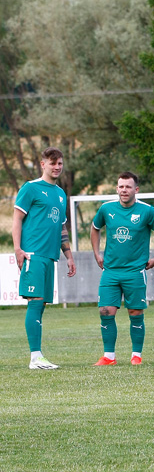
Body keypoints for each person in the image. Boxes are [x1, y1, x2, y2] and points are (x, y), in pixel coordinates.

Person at [90, 172, 154, 366]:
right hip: (110, 271)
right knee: (105, 311)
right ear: (117, 189)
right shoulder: (106, 209)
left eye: (128, 187)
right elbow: (94, 228)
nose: (124, 190)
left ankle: (136, 355)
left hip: (135, 271)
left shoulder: (147, 211)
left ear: (136, 190)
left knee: (135, 313)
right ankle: (109, 357)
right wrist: (96, 253)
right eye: (121, 187)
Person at [13, 147, 77, 369]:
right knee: (35, 302)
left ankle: (37, 356)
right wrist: (18, 249)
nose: (57, 167)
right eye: (52, 163)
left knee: (41, 305)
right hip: (33, 254)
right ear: (43, 164)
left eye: (60, 163)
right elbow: (17, 219)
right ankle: (35, 357)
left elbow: (61, 228)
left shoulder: (60, 194)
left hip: (50, 256)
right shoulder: (30, 188)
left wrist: (68, 255)